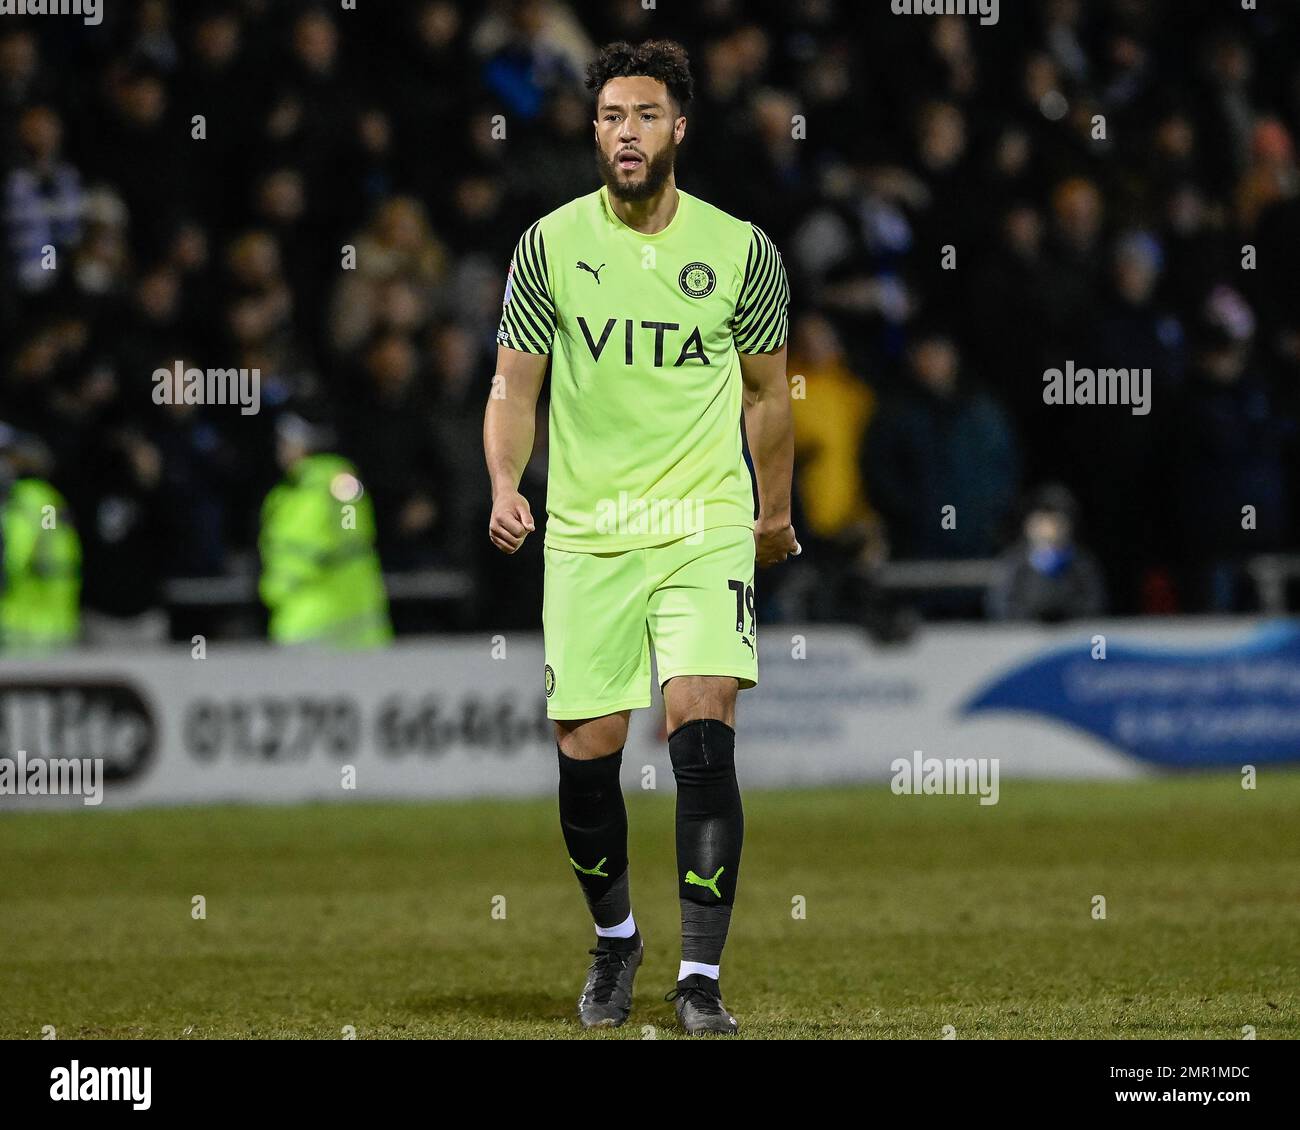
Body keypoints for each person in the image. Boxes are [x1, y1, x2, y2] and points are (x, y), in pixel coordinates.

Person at [483, 39, 798, 1035]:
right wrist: (504, 480)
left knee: (702, 738)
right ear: (594, 131)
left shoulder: (742, 250)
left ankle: (699, 975)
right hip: (587, 533)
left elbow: (766, 396)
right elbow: (511, 387)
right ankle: (615, 940)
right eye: (612, 117)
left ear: (679, 129)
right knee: (588, 758)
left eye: (645, 115)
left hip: (703, 523)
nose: (627, 132)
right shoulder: (548, 245)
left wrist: (773, 511)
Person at [258, 413, 391, 648]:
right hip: (320, 618)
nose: (281, 449)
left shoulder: (324, 488)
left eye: (286, 442)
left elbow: (340, 540)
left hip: (326, 619)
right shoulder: (292, 493)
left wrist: (277, 586)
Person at [0, 426, 81, 652]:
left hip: (20, 626)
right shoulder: (51, 498)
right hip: (60, 622)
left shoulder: (22, 499)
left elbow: (13, 559)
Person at [987, 484, 1107, 623]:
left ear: (1069, 525)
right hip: (1022, 637)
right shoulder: (1014, 562)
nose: (1048, 529)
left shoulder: (1082, 564)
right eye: (1042, 522)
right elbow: (1001, 603)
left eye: (1055, 522)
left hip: (1073, 636)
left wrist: (1070, 620)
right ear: (1029, 525)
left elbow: (1095, 601)